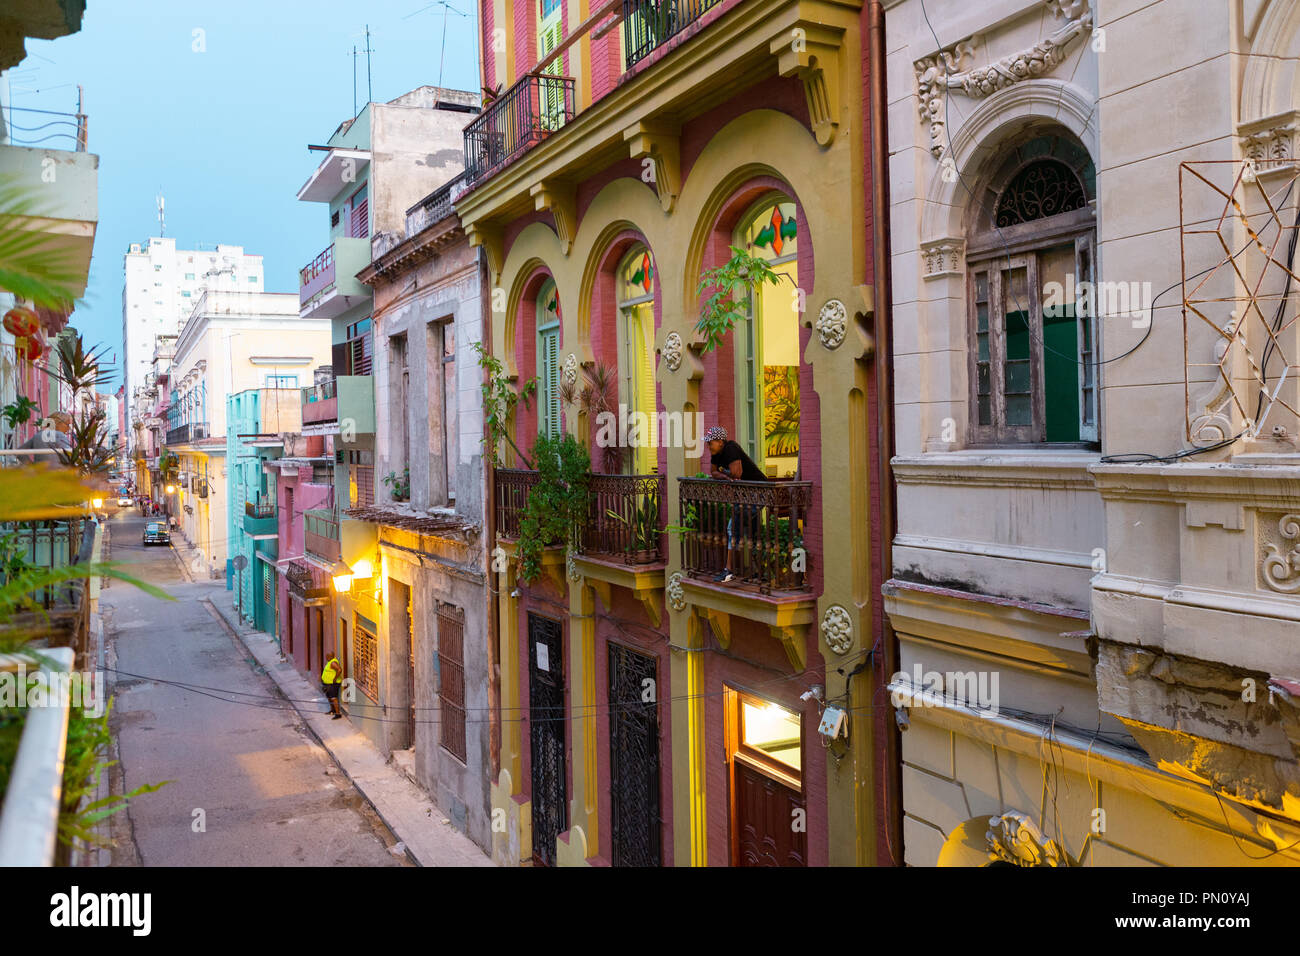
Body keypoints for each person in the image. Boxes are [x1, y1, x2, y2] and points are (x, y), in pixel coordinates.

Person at [704, 426, 767, 584]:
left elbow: (737, 473)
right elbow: (713, 472)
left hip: (758, 492)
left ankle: (729, 570)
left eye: (710, 443)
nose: (708, 446)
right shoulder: (716, 454)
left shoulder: (731, 448)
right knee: (750, 531)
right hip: (745, 494)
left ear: (720, 442)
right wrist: (726, 476)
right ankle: (759, 572)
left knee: (733, 528)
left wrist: (723, 473)